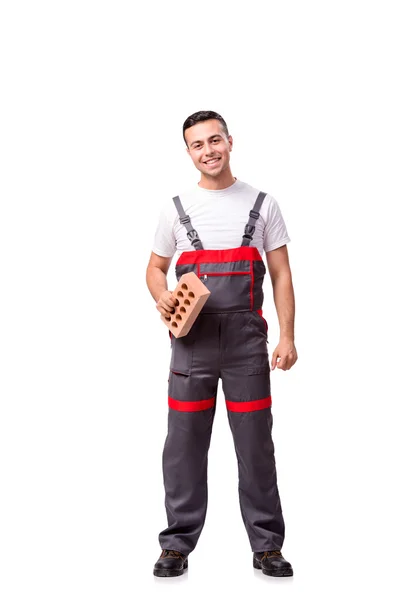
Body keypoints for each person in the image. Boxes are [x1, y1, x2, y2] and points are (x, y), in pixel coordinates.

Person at [146, 110, 298, 578]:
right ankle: (176, 544)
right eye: (198, 144)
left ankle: (267, 545)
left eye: (215, 140)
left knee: (255, 446)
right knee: (184, 445)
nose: (208, 150)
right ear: (188, 152)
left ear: (230, 142)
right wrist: (164, 293)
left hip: (246, 346)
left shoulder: (263, 204)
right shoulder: (175, 208)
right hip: (190, 345)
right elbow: (153, 269)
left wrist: (288, 335)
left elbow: (281, 274)